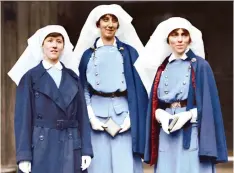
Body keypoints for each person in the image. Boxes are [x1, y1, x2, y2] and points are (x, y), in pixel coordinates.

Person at [135, 17, 228, 173]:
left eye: (183, 35)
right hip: (166, 132)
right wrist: (160, 115)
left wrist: (189, 115)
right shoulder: (162, 67)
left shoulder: (200, 65)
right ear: (168, 39)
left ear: (189, 39)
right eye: (175, 35)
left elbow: (209, 105)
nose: (179, 39)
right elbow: (156, 102)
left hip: (190, 131)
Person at [71, 4, 148, 173]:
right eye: (105, 20)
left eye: (114, 21)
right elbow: (83, 87)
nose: (110, 24)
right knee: (99, 165)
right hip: (96, 118)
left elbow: (138, 89)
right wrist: (90, 116)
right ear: (97, 24)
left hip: (124, 115)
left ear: (118, 26)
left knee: (124, 165)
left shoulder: (129, 52)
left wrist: (130, 118)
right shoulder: (87, 55)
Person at [8, 25, 93, 173]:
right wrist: (24, 156)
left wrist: (86, 150)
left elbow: (83, 118)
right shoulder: (30, 78)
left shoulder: (73, 77)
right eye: (50, 40)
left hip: (71, 144)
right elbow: (23, 119)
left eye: (59, 41)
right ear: (42, 45)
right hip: (42, 145)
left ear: (63, 46)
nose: (54, 45)